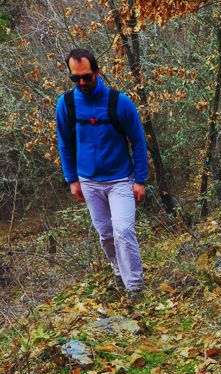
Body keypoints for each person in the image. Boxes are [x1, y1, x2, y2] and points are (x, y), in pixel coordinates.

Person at [55, 48, 148, 304]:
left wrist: (140, 180)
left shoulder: (119, 102)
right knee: (106, 234)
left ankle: (135, 288)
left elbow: (138, 142)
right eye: (76, 78)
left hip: (121, 179)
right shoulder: (67, 104)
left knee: (123, 231)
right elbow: (65, 143)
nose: (82, 83)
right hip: (88, 181)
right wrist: (71, 179)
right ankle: (118, 271)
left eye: (86, 77)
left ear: (97, 71)